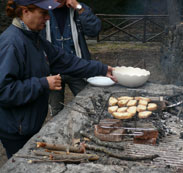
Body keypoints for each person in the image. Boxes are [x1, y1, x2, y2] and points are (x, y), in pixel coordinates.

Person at [0, 0, 115, 159]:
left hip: (28, 124)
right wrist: (43, 83)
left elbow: (66, 60)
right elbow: (4, 91)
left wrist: (102, 69)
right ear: (25, 12)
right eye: (43, 13)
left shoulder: (34, 38)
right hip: (15, 129)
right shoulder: (11, 43)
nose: (48, 18)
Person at [41, 0, 102, 116]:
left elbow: (94, 30)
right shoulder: (42, 10)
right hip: (52, 71)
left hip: (77, 67)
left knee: (88, 106)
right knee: (55, 111)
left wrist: (78, 7)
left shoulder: (78, 9)